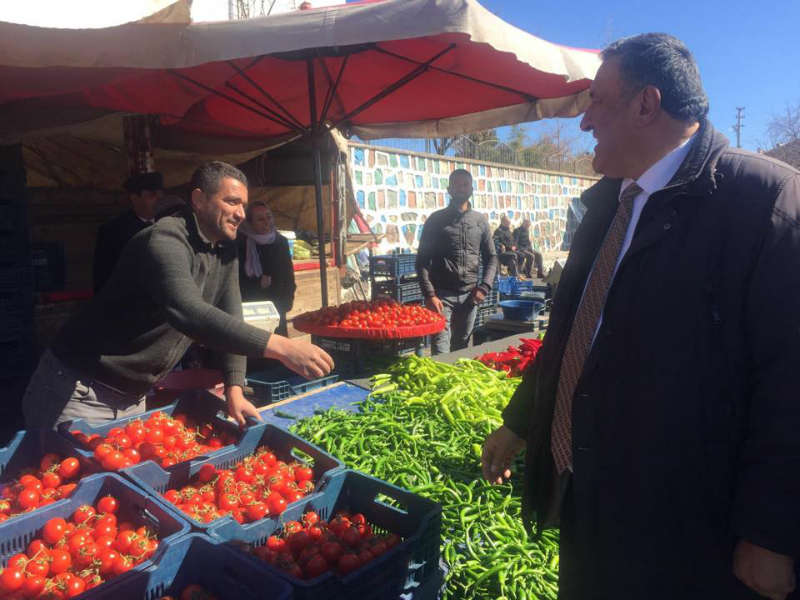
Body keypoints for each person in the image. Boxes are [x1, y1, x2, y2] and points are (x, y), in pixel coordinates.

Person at [482, 33, 799, 600]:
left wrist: (771, 533)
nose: (584, 123)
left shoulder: (765, 203)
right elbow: (573, 333)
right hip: (594, 494)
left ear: (646, 104)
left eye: (598, 101)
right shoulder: (607, 203)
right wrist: (521, 421)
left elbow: (790, 383)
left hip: (692, 526)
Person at [22, 161, 333, 429]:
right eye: (231, 202)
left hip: (132, 396)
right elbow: (188, 312)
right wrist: (280, 346)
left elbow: (230, 315)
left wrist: (235, 388)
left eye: (243, 206)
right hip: (79, 387)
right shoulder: (164, 240)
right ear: (198, 199)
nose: (241, 214)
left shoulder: (225, 250)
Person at [415, 169, 497, 354]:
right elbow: (422, 261)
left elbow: (492, 257)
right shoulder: (435, 220)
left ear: (472, 189)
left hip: (470, 296)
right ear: (449, 189)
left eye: (465, 184)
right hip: (442, 298)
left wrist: (484, 287)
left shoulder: (480, 221)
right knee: (441, 351)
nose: (461, 188)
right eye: (456, 185)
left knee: (461, 349)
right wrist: (429, 295)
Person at [93, 171, 163, 292]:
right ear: (135, 198)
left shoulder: (168, 224)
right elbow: (103, 276)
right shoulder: (113, 230)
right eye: (152, 195)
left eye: (160, 195)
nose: (158, 200)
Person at [238, 201, 296, 336]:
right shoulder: (241, 243)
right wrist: (257, 283)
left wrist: (287, 301)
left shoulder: (280, 241)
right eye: (260, 219)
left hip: (277, 307)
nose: (266, 222)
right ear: (249, 222)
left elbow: (288, 275)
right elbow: (236, 277)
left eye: (269, 217)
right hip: (252, 308)